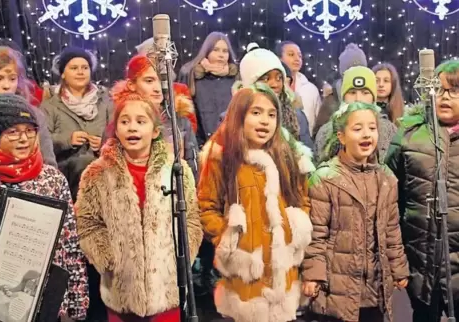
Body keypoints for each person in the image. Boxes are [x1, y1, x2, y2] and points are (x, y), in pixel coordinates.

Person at [75, 91, 203, 322]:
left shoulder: (176, 171)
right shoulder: (97, 173)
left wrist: (181, 258)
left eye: (140, 121)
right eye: (125, 121)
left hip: (166, 290)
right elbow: (87, 222)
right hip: (121, 291)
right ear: (116, 129)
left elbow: (191, 218)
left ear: (155, 131)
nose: (132, 127)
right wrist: (107, 258)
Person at [198, 83, 313, 322]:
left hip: (283, 274)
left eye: (272, 115)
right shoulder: (223, 157)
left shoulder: (286, 155)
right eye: (256, 113)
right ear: (240, 116)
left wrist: (296, 232)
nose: (265, 121)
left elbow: (302, 199)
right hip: (244, 278)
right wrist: (227, 240)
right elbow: (207, 206)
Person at [0, 93, 89, 321]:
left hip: (44, 298)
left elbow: (69, 244)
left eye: (30, 130)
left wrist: (77, 302)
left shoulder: (51, 179)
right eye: (13, 131)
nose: (24, 139)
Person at [302, 101, 409, 322]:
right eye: (357, 129)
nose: (366, 134)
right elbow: (316, 235)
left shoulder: (386, 179)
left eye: (372, 128)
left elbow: (392, 230)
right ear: (341, 136)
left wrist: (398, 268)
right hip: (337, 286)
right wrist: (313, 275)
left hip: (373, 287)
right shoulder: (325, 179)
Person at [386, 59, 459, 322]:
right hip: (422, 261)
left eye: (454, 89)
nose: (445, 97)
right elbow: (390, 191)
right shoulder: (409, 133)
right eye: (439, 90)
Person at [41, 46, 113, 200]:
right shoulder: (51, 105)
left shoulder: (105, 101)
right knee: (83, 163)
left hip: (103, 166)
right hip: (66, 170)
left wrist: (103, 144)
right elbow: (41, 141)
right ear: (63, 73)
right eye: (74, 68)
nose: (80, 72)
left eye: (85, 68)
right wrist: (68, 140)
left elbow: (117, 132)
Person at [111, 54, 199, 179]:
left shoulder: (179, 120)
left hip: (173, 193)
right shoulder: (121, 120)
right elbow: (110, 168)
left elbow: (192, 166)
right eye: (149, 81)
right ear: (132, 84)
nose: (158, 88)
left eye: (161, 80)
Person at [0, 46, 56, 166]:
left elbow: (48, 161)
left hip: (30, 181)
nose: (6, 86)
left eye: (12, 79)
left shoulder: (33, 115)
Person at [314, 66, 397, 163]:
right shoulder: (325, 133)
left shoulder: (390, 132)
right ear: (343, 97)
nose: (358, 99)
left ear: (373, 98)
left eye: (365, 93)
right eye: (352, 92)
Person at [179, 32, 238, 146]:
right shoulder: (191, 75)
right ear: (207, 51)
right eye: (216, 50)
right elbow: (185, 115)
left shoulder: (235, 78)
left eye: (225, 51)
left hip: (231, 143)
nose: (221, 55)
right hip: (200, 144)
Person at [276, 40, 321, 133]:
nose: (297, 59)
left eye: (300, 56)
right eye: (291, 54)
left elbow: (318, 123)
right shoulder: (273, 86)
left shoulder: (311, 89)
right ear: (279, 59)